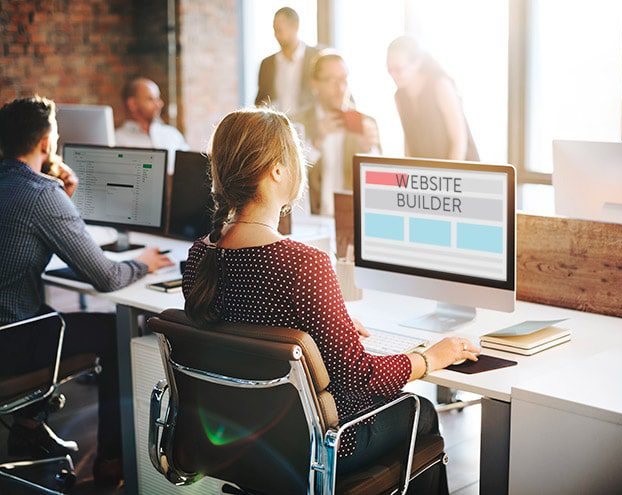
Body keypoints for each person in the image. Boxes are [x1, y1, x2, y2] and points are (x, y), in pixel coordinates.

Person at [182, 107, 480, 492]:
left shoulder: (199, 256)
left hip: (242, 438)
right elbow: (358, 378)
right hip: (320, 444)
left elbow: (248, 327)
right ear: (277, 170)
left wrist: (327, 322)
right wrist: (429, 359)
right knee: (419, 409)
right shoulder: (302, 264)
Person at [0, 96, 173, 487]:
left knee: (39, 307)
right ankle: (111, 461)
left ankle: (27, 427)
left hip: (7, 324)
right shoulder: (42, 194)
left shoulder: (22, 187)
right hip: (9, 342)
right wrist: (145, 261)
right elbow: (108, 278)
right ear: (46, 143)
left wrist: (63, 199)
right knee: (116, 335)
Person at [293, 51, 380, 215]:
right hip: (310, 220)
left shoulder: (365, 123)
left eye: (344, 79)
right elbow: (288, 178)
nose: (341, 88)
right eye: (332, 80)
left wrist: (368, 150)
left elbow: (380, 185)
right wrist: (315, 142)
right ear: (314, 84)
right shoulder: (297, 123)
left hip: (351, 219)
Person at [387, 36, 479, 161]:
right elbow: (408, 141)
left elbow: (459, 141)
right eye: (389, 69)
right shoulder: (399, 96)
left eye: (398, 69)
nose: (392, 75)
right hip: (428, 175)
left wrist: (448, 176)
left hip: (459, 168)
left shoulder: (441, 85)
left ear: (417, 63)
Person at [115, 77, 189, 174]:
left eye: (158, 99)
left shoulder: (172, 134)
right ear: (132, 104)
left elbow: (190, 168)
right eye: (151, 99)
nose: (159, 104)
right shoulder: (117, 140)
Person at [255, 7, 320, 114]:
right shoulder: (267, 64)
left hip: (308, 126)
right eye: (274, 30)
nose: (276, 35)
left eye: (279, 30)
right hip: (277, 126)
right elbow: (260, 100)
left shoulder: (316, 57)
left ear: (295, 26)